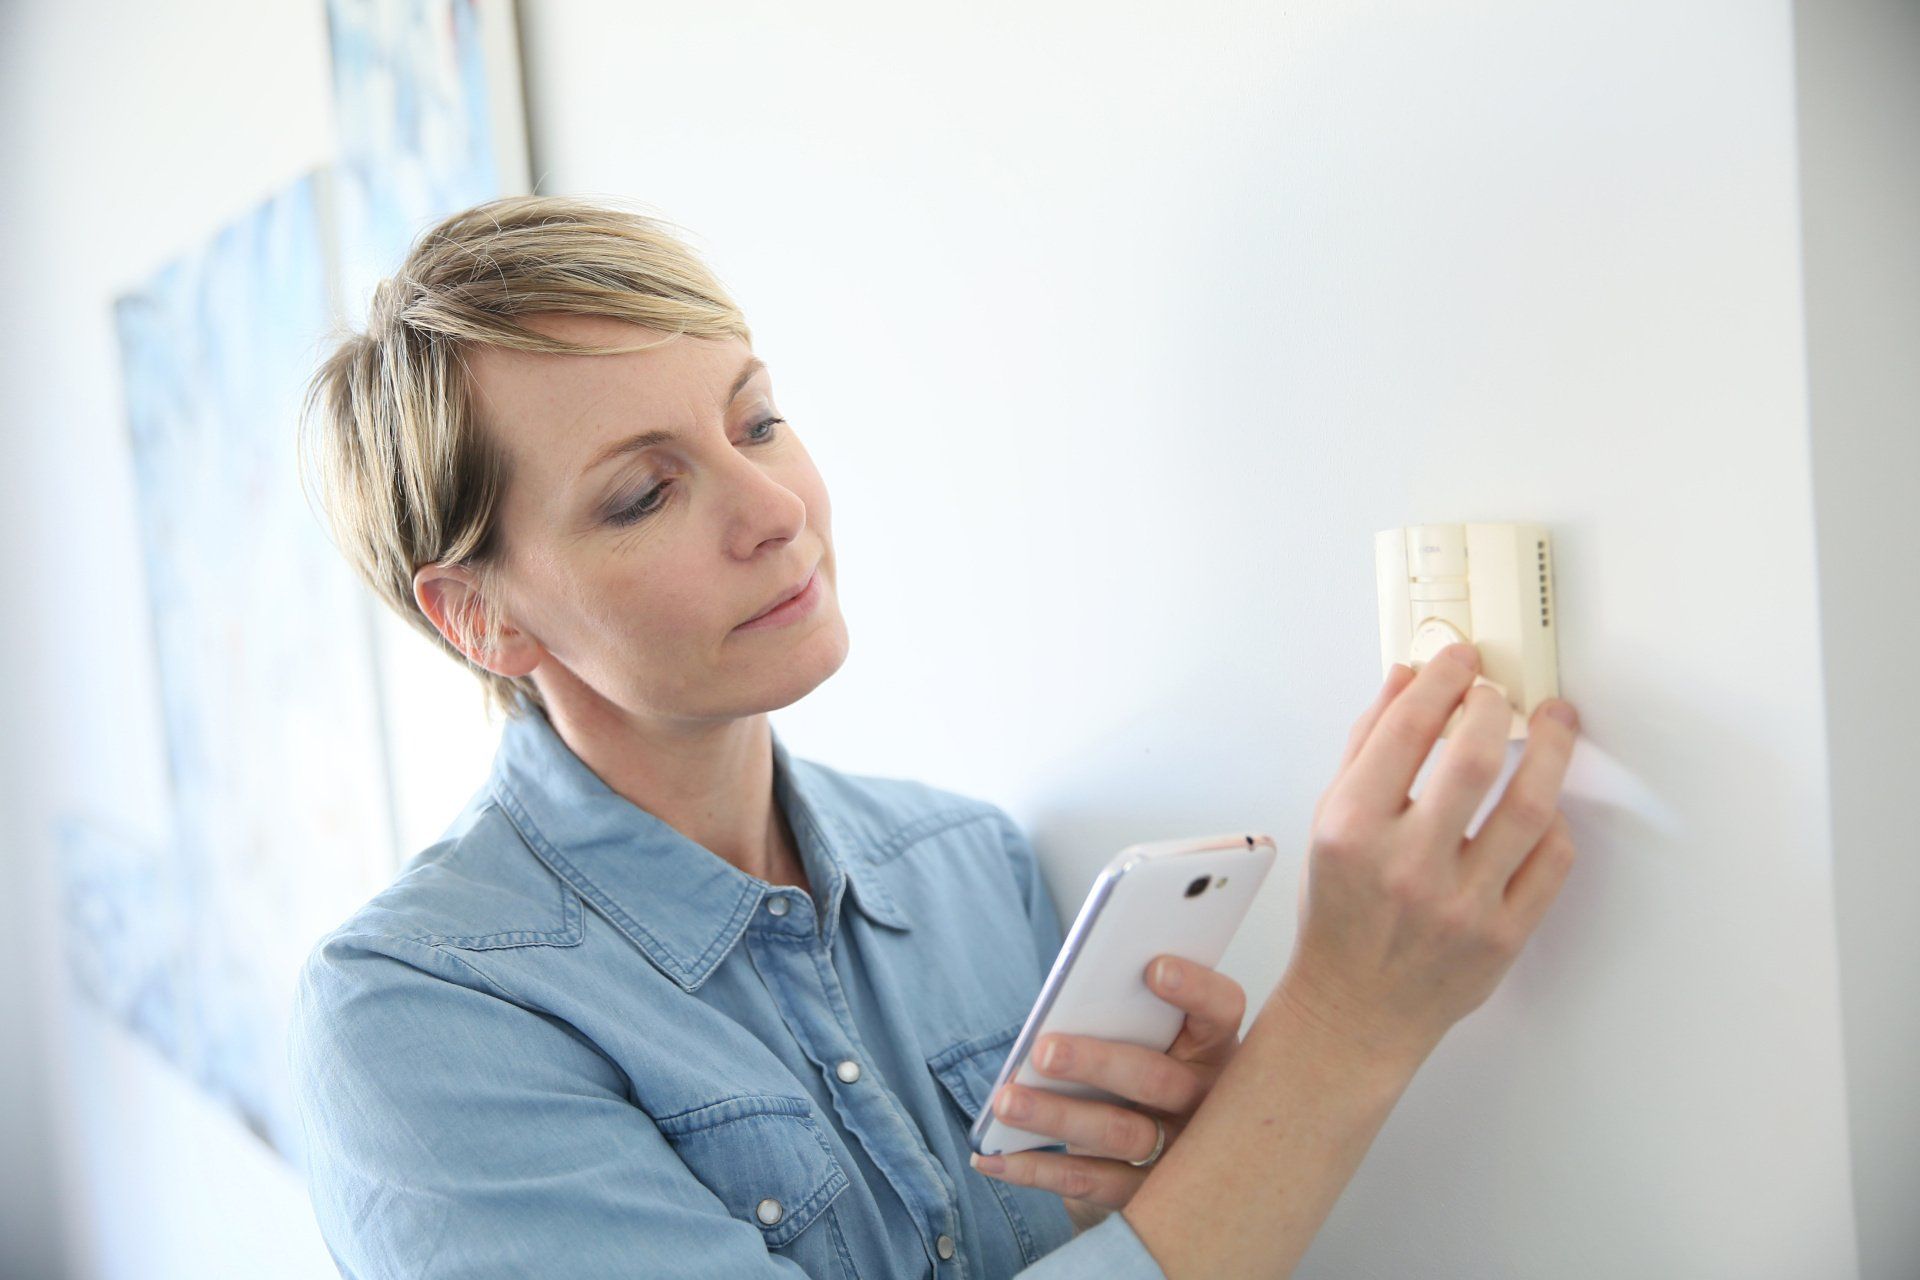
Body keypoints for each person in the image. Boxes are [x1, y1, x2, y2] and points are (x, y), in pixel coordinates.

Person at [287, 194, 1583, 1279]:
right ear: (482, 618)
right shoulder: (416, 1016)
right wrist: (1349, 1017)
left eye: (755, 421)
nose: (773, 509)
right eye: (643, 493)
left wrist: (1183, 1162)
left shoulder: (969, 863)